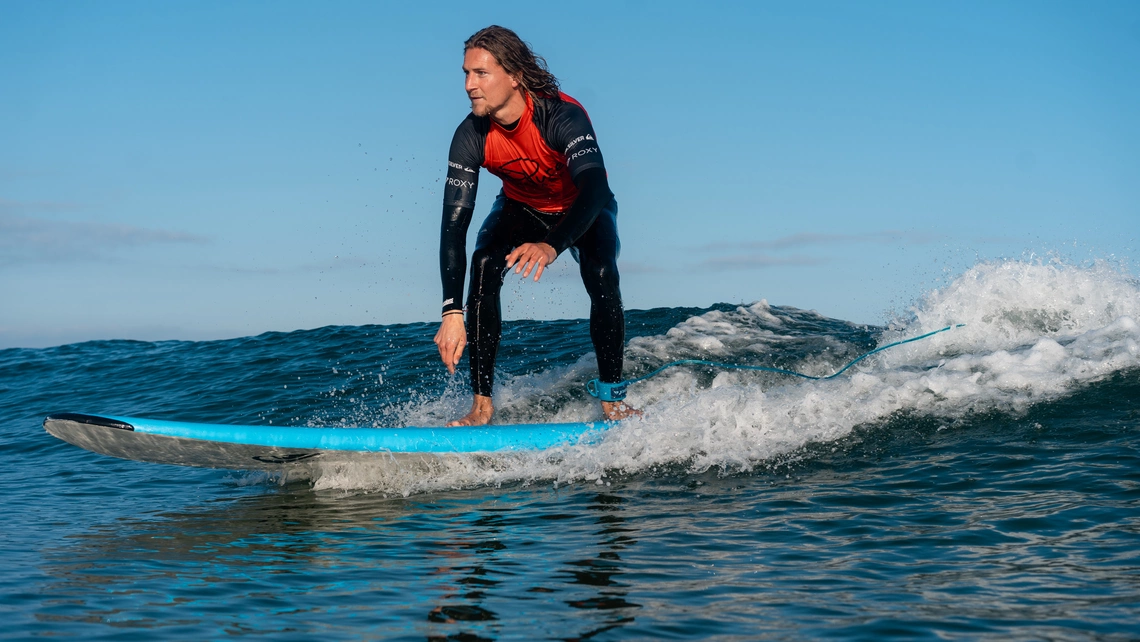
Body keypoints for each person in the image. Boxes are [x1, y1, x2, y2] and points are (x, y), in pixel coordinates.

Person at [433, 25, 638, 426]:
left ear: (514, 75)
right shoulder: (470, 135)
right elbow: (453, 228)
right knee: (485, 262)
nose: (468, 85)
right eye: (465, 73)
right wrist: (451, 311)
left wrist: (552, 245)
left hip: (583, 207)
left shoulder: (559, 115)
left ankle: (613, 400)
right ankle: (481, 405)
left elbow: (596, 187)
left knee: (600, 271)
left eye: (480, 73)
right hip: (521, 206)